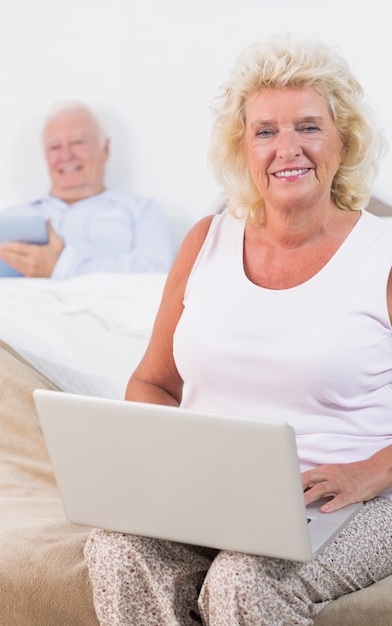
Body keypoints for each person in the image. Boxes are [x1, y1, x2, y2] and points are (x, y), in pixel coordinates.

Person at [83, 35, 392, 626]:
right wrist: (162, 466)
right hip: (215, 497)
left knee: (243, 579)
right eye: (265, 131)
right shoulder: (206, 240)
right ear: (243, 148)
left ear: (343, 139)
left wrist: (369, 472)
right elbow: (152, 382)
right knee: (116, 549)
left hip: (351, 497)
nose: (288, 149)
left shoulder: (383, 253)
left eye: (308, 126)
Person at [0, 101, 176, 279]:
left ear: (105, 149)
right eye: (55, 147)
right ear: (46, 156)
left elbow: (158, 271)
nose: (66, 156)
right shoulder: (11, 218)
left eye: (77, 142)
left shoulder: (143, 212)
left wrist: (63, 267)